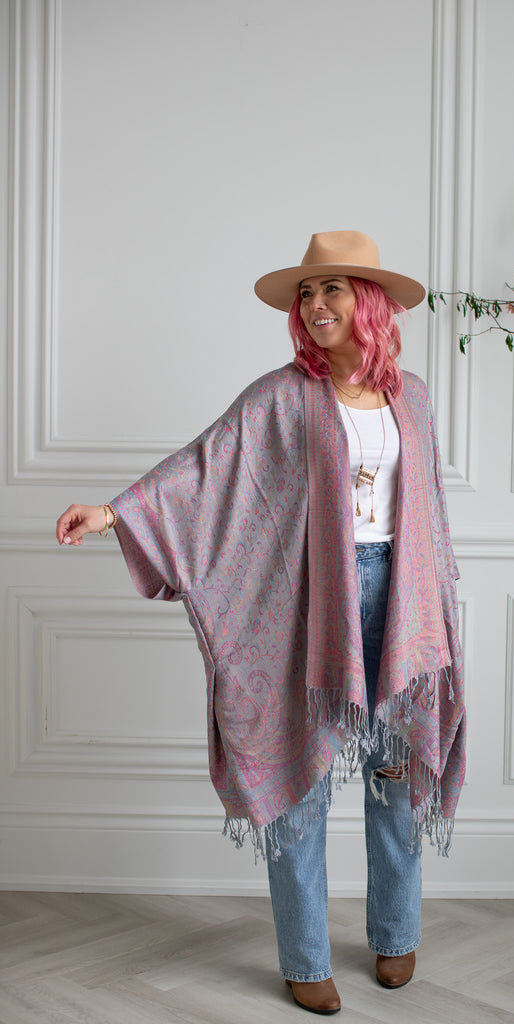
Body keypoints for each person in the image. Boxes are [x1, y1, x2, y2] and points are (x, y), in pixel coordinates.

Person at [56, 230, 466, 1016]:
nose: (314, 305)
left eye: (331, 289)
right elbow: (205, 467)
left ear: (367, 302)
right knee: (299, 780)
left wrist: (441, 606)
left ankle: (395, 932)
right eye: (306, 293)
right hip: (313, 602)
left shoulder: (411, 395)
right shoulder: (281, 396)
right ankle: (304, 956)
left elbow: (431, 512)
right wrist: (114, 513)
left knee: (394, 772)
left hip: (404, 599)